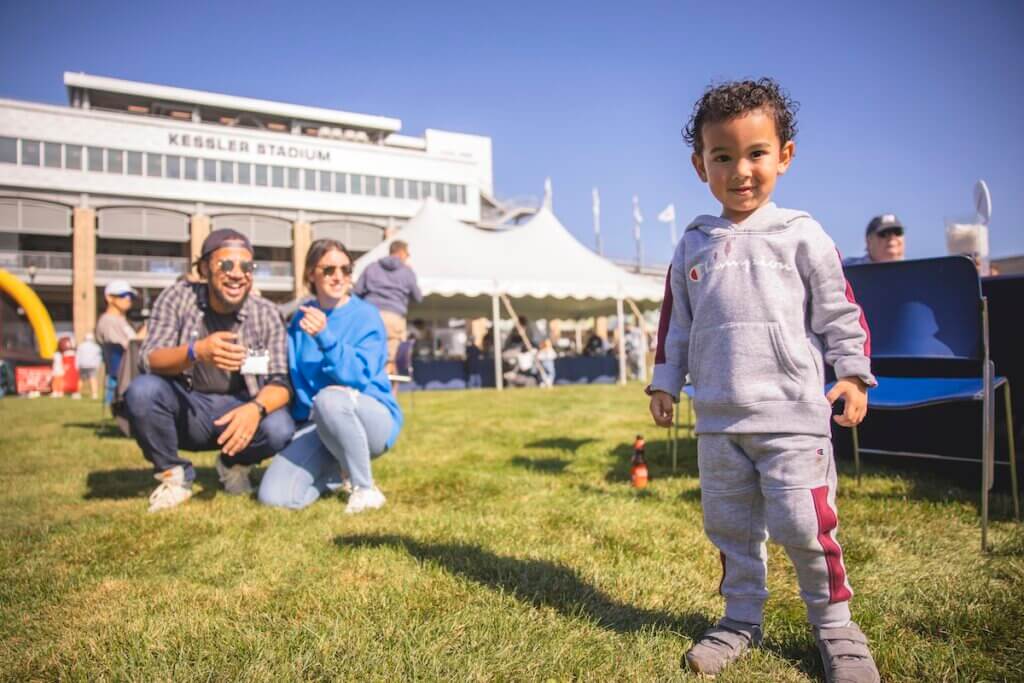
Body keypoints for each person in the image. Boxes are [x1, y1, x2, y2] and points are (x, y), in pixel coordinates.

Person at [648, 79, 879, 682]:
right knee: (729, 526)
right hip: (720, 422)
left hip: (794, 419)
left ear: (785, 155)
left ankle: (835, 626)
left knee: (805, 526)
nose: (740, 170)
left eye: (756, 153)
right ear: (701, 165)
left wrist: (852, 373)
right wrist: (666, 381)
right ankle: (740, 619)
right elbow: (676, 323)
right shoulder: (693, 245)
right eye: (723, 157)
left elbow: (840, 311)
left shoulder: (802, 233)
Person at [124, 229, 295, 512]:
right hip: (187, 405)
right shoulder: (178, 298)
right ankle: (174, 477)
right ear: (204, 268)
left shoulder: (265, 312)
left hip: (240, 407)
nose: (237, 274)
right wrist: (197, 352)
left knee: (280, 426)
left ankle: (233, 465)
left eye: (246, 266)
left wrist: (256, 409)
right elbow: (149, 359)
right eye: (226, 264)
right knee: (142, 391)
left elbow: (280, 381)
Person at [258, 238, 403, 514]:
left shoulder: (366, 315)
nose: (338, 276)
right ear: (311, 273)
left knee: (329, 398)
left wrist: (326, 338)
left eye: (345, 269)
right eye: (328, 270)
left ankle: (364, 488)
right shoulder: (298, 322)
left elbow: (358, 378)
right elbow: (294, 378)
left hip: (371, 419)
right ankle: (337, 475)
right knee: (274, 497)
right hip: (319, 424)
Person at [353, 240, 422, 389]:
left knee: (368, 356)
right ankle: (387, 400)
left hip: (370, 315)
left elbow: (357, 292)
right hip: (394, 316)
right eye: (407, 254)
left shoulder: (371, 267)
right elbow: (418, 297)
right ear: (402, 253)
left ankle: (368, 394)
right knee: (391, 361)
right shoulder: (407, 271)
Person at [95, 279, 142, 403]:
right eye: (123, 295)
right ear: (109, 298)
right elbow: (127, 348)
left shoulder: (121, 320)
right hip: (125, 369)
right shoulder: (109, 321)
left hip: (129, 367)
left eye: (130, 296)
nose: (128, 299)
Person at [76, 333, 102, 399]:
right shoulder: (96, 347)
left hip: (83, 365)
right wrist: (98, 365)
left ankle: (78, 393)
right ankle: (94, 394)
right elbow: (99, 358)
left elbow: (77, 357)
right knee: (93, 379)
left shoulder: (81, 346)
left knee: (81, 379)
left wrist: (77, 365)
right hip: (92, 366)